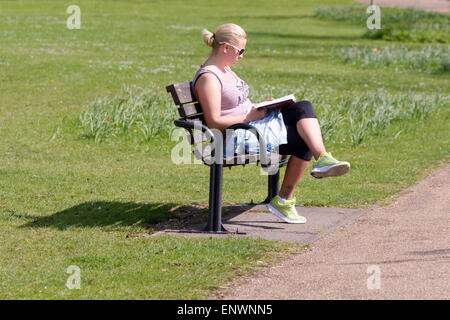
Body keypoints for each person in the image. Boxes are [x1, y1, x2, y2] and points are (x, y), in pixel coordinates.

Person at [192, 23, 350, 224]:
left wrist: (261, 107)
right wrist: (250, 117)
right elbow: (214, 121)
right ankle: (284, 199)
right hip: (236, 136)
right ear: (226, 48)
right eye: (240, 51)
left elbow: (239, 106)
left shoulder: (225, 70)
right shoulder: (209, 78)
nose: (241, 56)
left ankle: (323, 159)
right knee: (303, 140)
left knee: (303, 107)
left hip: (250, 126)